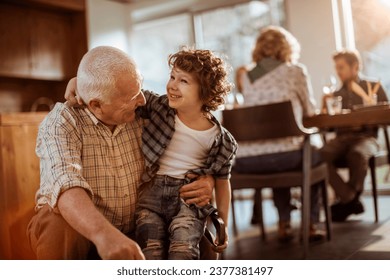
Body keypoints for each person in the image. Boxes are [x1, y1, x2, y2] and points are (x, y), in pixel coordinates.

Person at [27, 46, 215, 260]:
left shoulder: (143, 111)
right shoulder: (61, 122)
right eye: (133, 96)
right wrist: (104, 236)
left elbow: (196, 130)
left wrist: (207, 178)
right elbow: (66, 185)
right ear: (96, 105)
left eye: (140, 89)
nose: (143, 100)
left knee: (194, 227)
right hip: (86, 230)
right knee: (55, 224)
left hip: (143, 220)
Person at [135, 48, 237, 260]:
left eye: (183, 81)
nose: (172, 85)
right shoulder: (159, 106)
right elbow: (129, 94)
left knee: (184, 251)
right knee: (150, 250)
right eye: (172, 76)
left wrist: (222, 225)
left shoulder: (222, 140)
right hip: (150, 198)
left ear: (206, 93)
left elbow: (222, 182)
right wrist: (77, 84)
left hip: (188, 201)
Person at [235, 26, 324, 242]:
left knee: (274, 150)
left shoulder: (248, 76)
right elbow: (310, 111)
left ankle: (284, 222)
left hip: (249, 160)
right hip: (286, 157)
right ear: (286, 48)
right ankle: (311, 223)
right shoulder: (295, 71)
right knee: (313, 154)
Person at [321, 49, 388, 222]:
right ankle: (350, 198)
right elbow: (328, 129)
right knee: (317, 157)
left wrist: (368, 116)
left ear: (355, 67)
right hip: (341, 139)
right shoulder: (334, 95)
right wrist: (325, 110)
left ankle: (346, 202)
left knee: (357, 154)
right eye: (336, 67)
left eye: (341, 67)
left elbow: (386, 116)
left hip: (366, 138)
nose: (338, 71)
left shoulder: (374, 88)